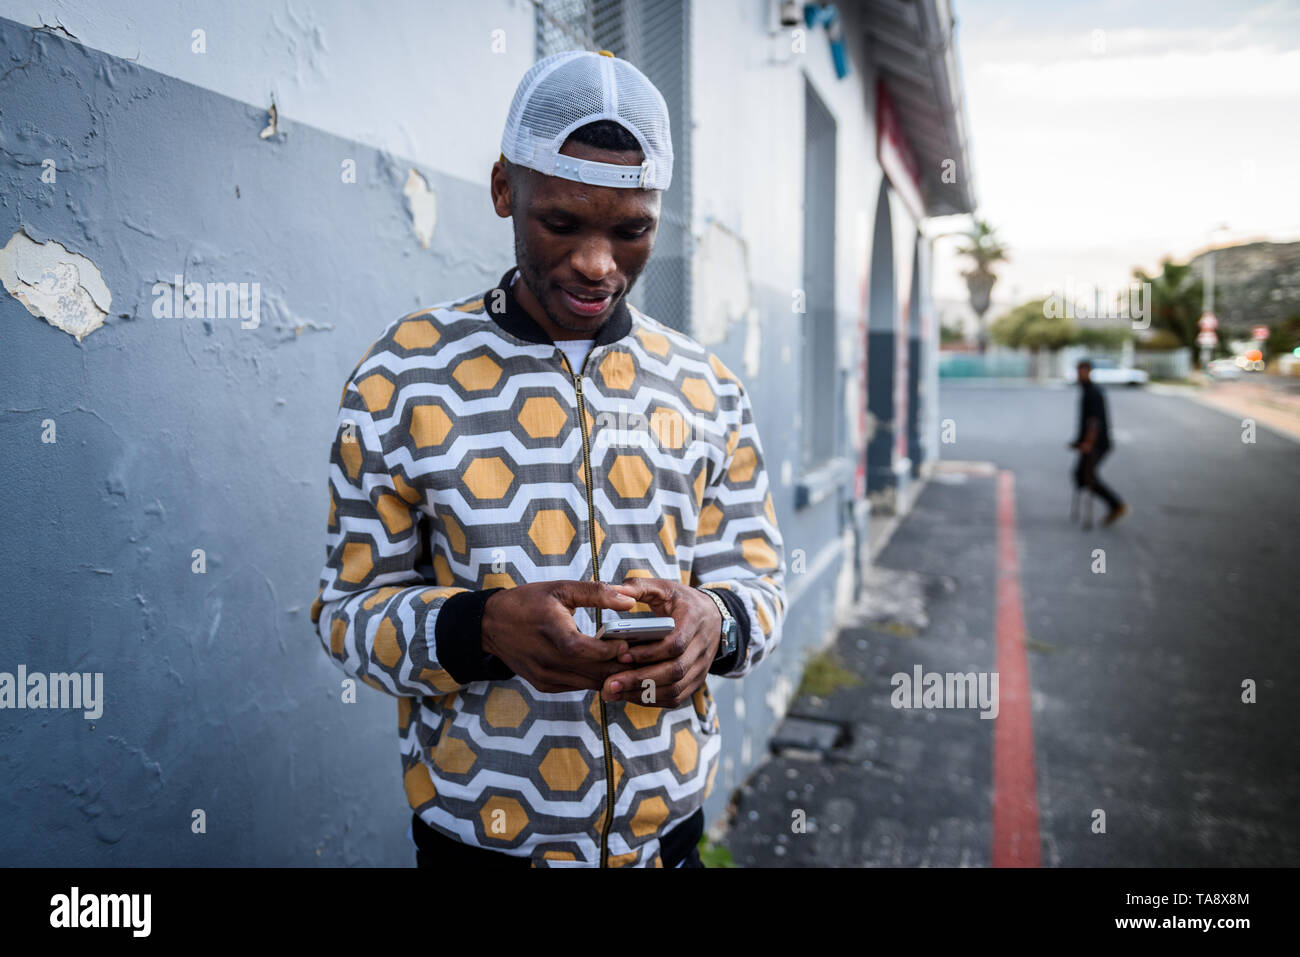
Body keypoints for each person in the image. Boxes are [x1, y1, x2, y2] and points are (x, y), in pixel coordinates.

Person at [308, 49, 787, 869]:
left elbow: (760, 582)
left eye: (631, 230)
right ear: (504, 189)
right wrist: (481, 626)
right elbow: (348, 610)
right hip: (477, 845)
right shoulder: (404, 373)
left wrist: (719, 622)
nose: (598, 264)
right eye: (561, 223)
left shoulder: (706, 387)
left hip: (666, 842)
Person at [1070, 358, 1128, 526]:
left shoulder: (1093, 392)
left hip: (1097, 444)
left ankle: (1116, 504)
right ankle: (1115, 504)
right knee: (1081, 475)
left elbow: (1094, 422)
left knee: (1085, 476)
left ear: (1088, 371)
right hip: (1091, 443)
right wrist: (1078, 441)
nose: (1079, 375)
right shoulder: (1087, 390)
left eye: (1082, 370)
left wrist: (1088, 443)